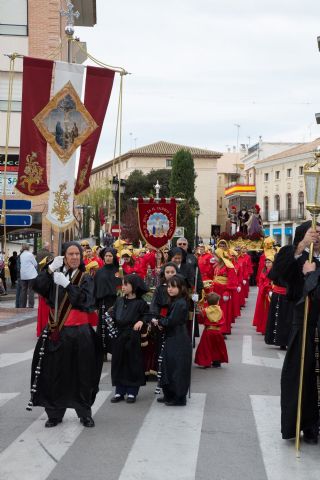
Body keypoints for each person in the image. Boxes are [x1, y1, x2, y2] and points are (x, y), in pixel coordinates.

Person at [30, 241, 103, 428]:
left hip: (80, 334)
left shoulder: (86, 278)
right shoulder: (54, 275)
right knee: (55, 373)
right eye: (70, 254)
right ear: (64, 256)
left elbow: (85, 301)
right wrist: (49, 270)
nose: (74, 257)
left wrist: (67, 284)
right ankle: (54, 413)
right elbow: (37, 286)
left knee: (82, 374)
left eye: (77, 254)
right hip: (56, 332)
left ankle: (84, 412)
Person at [278, 221, 320, 443]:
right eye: (313, 232)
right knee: (301, 377)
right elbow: (279, 274)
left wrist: (314, 274)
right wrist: (301, 246)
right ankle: (304, 424)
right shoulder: (296, 256)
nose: (317, 236)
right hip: (304, 324)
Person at [152, 275, 192, 406]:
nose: (170, 289)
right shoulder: (176, 301)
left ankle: (178, 397)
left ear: (180, 288)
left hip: (178, 338)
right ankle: (170, 394)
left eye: (173, 286)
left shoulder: (181, 302)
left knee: (177, 368)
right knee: (168, 366)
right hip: (172, 336)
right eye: (169, 286)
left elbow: (172, 321)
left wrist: (160, 321)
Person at [110, 274, 149, 404]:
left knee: (132, 363)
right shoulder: (119, 300)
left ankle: (132, 391)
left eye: (126, 284)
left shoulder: (141, 303)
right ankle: (119, 391)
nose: (123, 287)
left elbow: (146, 316)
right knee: (118, 362)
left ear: (134, 287)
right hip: (119, 335)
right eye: (123, 284)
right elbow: (114, 314)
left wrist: (141, 321)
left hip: (133, 336)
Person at [94, 247, 121, 355]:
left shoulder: (119, 271)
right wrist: (96, 305)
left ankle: (115, 350)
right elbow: (96, 289)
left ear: (114, 257)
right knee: (103, 328)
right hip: (104, 303)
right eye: (106, 256)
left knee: (115, 327)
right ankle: (103, 352)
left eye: (110, 256)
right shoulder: (99, 272)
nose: (108, 258)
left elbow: (122, 287)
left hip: (116, 302)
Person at [264, 247, 293, 349]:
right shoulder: (287, 266)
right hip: (281, 294)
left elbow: (271, 276)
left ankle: (282, 341)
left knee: (282, 318)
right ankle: (282, 341)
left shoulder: (280, 266)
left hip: (282, 294)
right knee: (284, 319)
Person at [195, 292, 228, 368]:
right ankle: (217, 361)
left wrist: (200, 313)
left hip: (208, 331)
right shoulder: (220, 311)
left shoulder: (205, 311)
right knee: (217, 347)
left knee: (206, 347)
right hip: (218, 332)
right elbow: (223, 321)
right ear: (217, 302)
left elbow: (201, 320)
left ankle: (205, 362)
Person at [252, 255, 274, 335]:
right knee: (263, 311)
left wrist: (270, 289)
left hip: (271, 292)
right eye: (266, 262)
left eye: (269, 262)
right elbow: (260, 281)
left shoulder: (274, 271)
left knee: (269, 311)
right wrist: (262, 288)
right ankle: (263, 327)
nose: (267, 264)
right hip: (263, 293)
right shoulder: (263, 271)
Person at [19, 244, 38, 308]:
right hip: (31, 275)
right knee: (31, 290)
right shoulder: (30, 254)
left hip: (23, 275)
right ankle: (30, 305)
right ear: (28, 248)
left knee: (23, 290)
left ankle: (23, 305)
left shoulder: (21, 255)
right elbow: (35, 264)